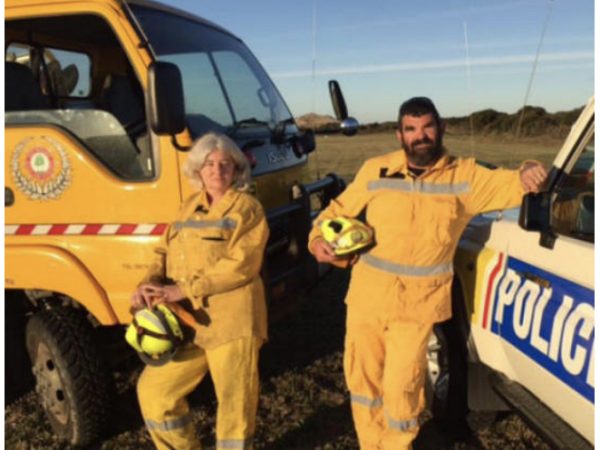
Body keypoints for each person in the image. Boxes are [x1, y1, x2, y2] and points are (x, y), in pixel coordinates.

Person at [308, 97, 547, 450]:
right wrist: (317, 240)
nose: (420, 136)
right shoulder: (376, 170)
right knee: (363, 383)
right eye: (411, 129)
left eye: (427, 127)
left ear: (441, 128)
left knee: (402, 389)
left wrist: (530, 167)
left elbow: (519, 182)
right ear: (399, 135)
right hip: (366, 300)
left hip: (417, 307)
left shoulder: (465, 176)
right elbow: (333, 213)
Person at [131, 132, 269, 450]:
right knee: (154, 393)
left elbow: (241, 266)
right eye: (208, 164)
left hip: (233, 324)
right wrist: (148, 282)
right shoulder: (188, 207)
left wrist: (183, 290)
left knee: (235, 407)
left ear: (236, 170)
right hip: (188, 322)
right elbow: (162, 251)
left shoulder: (247, 209)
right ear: (197, 170)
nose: (216, 171)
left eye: (224, 164)